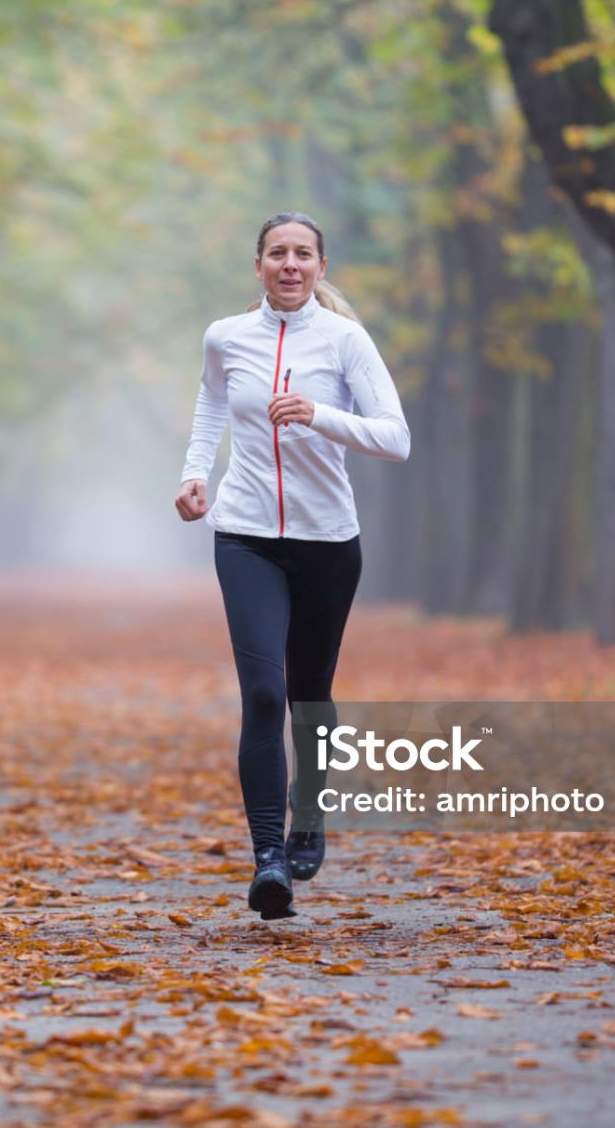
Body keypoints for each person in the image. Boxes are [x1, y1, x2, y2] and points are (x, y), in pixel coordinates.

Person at [175, 211, 411, 921]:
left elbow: (395, 437)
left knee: (309, 693)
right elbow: (212, 399)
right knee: (264, 695)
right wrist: (194, 473)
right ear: (258, 266)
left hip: (327, 541)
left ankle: (310, 812)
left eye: (302, 253)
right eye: (277, 252)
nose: (289, 264)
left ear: (320, 265)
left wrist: (317, 414)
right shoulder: (226, 336)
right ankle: (270, 857)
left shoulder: (345, 341)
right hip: (244, 534)